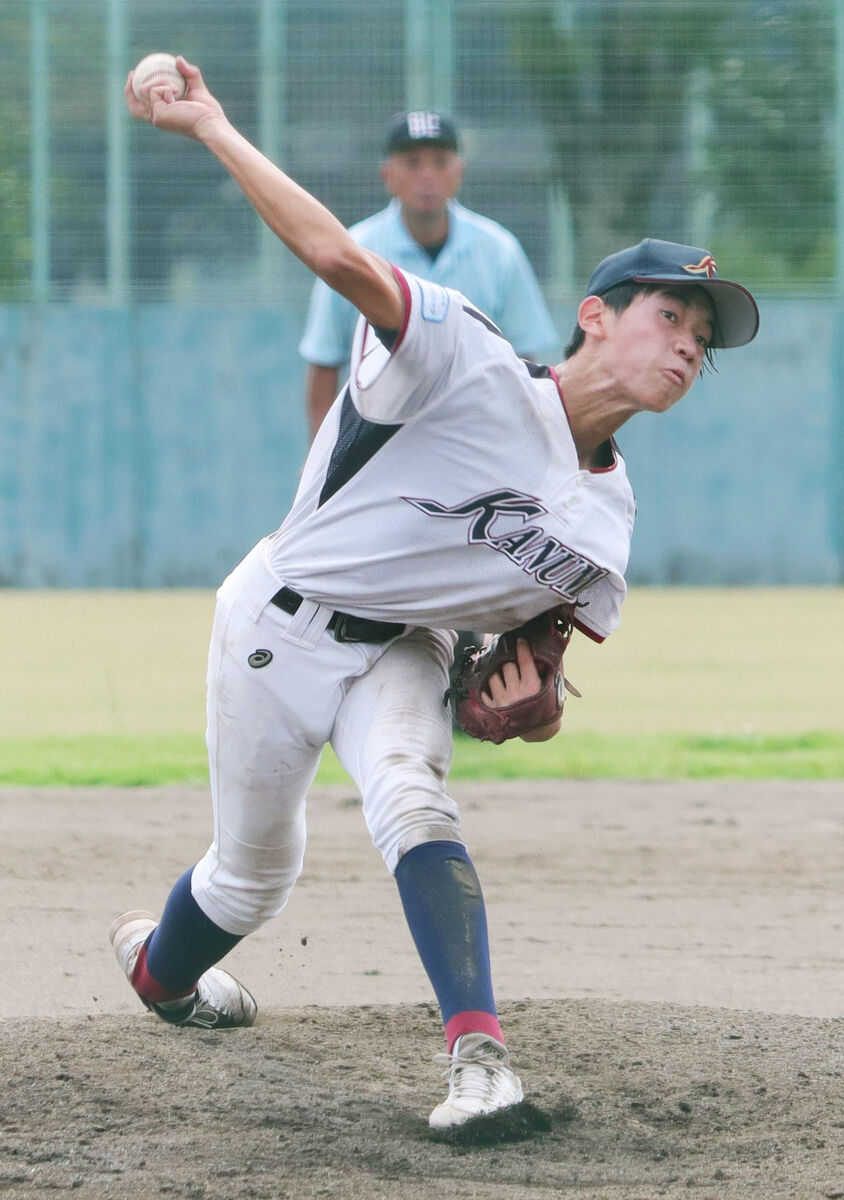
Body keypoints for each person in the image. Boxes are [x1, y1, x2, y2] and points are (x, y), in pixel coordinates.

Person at [112, 58, 759, 1136]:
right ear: (595, 316)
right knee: (249, 881)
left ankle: (480, 1060)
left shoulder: (609, 523)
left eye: (705, 337)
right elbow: (331, 253)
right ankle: (158, 974)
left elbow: (532, 657)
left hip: (402, 652)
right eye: (670, 314)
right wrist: (214, 125)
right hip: (277, 623)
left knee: (415, 799)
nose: (689, 344)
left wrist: (529, 701)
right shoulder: (463, 354)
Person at [299, 109, 560, 439]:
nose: (427, 176)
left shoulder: (499, 251)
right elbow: (324, 363)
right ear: (387, 174)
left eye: (440, 162)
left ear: (459, 171)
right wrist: (321, 466)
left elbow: (525, 364)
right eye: (412, 163)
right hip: (378, 442)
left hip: (474, 439)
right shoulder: (352, 253)